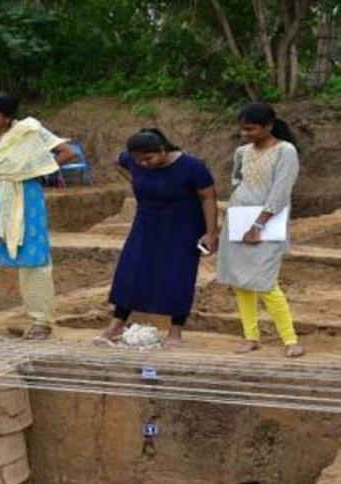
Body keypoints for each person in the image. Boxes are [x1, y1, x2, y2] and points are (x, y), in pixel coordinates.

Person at [0, 92, 76, 340]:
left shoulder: (28, 132)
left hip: (25, 200)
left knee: (33, 258)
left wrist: (36, 169)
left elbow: (66, 152)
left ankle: (41, 320)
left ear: (8, 119)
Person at [96, 129, 218, 348]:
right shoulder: (133, 161)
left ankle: (175, 331)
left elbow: (208, 198)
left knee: (177, 276)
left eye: (149, 158)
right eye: (139, 160)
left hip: (183, 226)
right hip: (146, 223)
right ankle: (117, 323)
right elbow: (117, 161)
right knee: (131, 271)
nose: (144, 164)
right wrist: (137, 181)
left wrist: (210, 233)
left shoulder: (192, 167)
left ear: (163, 150)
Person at [217, 102, 304, 358]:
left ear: (268, 126)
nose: (246, 134)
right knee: (241, 282)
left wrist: (258, 223)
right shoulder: (242, 151)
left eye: (251, 129)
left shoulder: (285, 151)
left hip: (268, 222)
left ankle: (290, 339)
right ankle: (250, 336)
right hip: (239, 220)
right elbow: (237, 180)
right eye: (243, 130)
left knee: (265, 282)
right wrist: (244, 203)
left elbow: (280, 191)